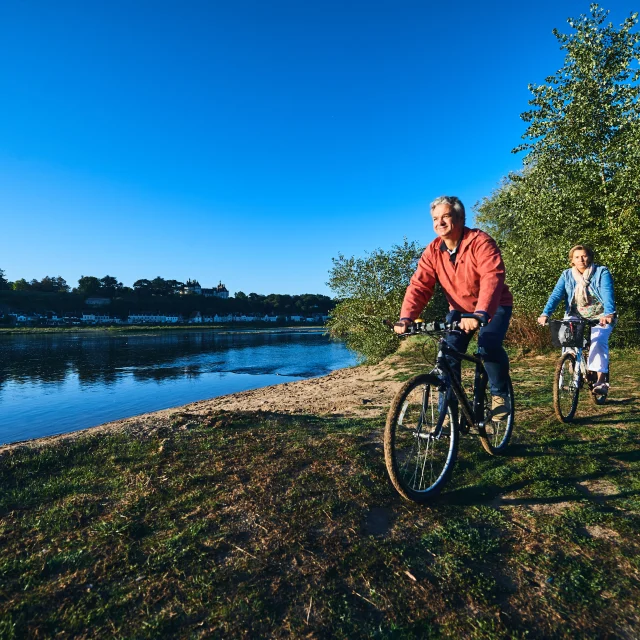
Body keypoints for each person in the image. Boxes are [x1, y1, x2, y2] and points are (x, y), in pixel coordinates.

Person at [394, 195, 513, 419]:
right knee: (448, 356)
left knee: (487, 346)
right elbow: (420, 285)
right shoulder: (432, 250)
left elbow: (492, 276)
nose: (440, 223)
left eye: (446, 216)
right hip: (459, 311)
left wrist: (480, 313)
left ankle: (499, 395)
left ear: (460, 217)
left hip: (493, 306)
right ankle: (448, 410)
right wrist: (406, 317)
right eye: (435, 218)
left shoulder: (480, 241)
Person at [537, 245, 616, 394]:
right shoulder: (566, 275)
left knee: (598, 342)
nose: (581, 259)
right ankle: (573, 367)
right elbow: (556, 296)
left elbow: (607, 293)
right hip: (576, 314)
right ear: (572, 260)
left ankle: (601, 381)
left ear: (590, 257)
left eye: (584, 256)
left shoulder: (601, 272)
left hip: (601, 316)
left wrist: (609, 313)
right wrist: (545, 313)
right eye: (577, 257)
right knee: (567, 341)